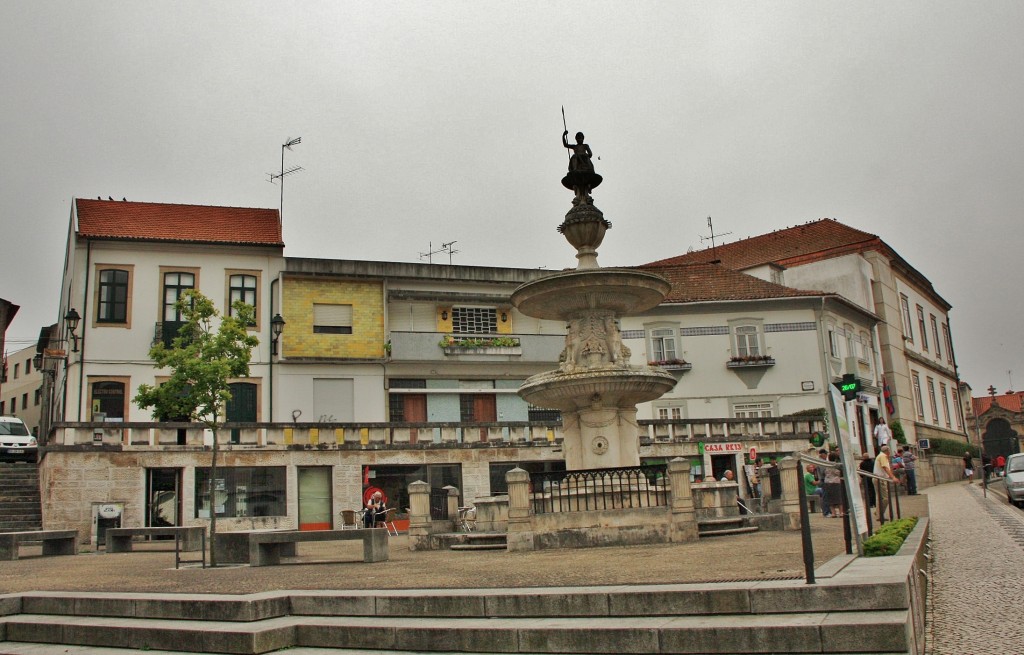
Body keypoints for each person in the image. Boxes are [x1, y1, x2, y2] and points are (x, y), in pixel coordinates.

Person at [874, 445, 899, 521]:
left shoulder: (881, 456)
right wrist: (893, 477)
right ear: (887, 451)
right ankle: (879, 513)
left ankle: (878, 513)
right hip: (880, 478)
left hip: (878, 478)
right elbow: (885, 468)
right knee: (885, 498)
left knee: (880, 497)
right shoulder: (883, 456)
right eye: (889, 451)